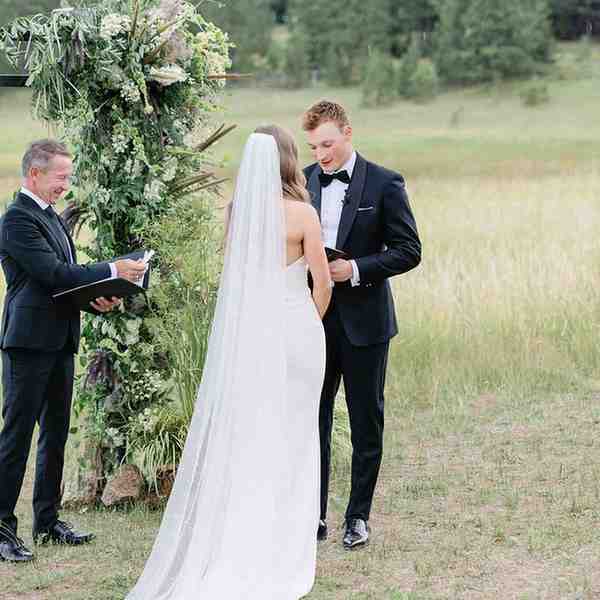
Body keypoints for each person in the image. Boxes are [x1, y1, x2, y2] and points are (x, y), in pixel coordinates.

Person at [126, 127, 331, 600]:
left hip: (250, 338)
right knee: (296, 434)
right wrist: (302, 323)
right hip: (297, 336)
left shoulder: (239, 214)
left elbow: (237, 285)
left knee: (252, 433)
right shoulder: (302, 213)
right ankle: (284, 542)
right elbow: (322, 284)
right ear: (289, 162)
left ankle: (246, 531)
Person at [0, 139, 148, 563]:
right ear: (35, 174)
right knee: (17, 437)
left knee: (54, 434)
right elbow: (52, 274)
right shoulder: (16, 220)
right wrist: (113, 270)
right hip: (27, 344)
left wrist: (97, 296)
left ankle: (46, 522)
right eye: (61, 176)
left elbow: (66, 284)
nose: (66, 184)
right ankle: (2, 528)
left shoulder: (50, 217)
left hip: (61, 339)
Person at [302, 100, 422, 549]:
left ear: (348, 133)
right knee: (313, 419)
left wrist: (354, 269)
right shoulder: (305, 182)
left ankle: (357, 517)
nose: (322, 156)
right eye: (314, 147)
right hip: (313, 320)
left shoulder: (386, 182)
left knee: (366, 420)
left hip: (366, 323)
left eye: (328, 144)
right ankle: (312, 514)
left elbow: (410, 250)